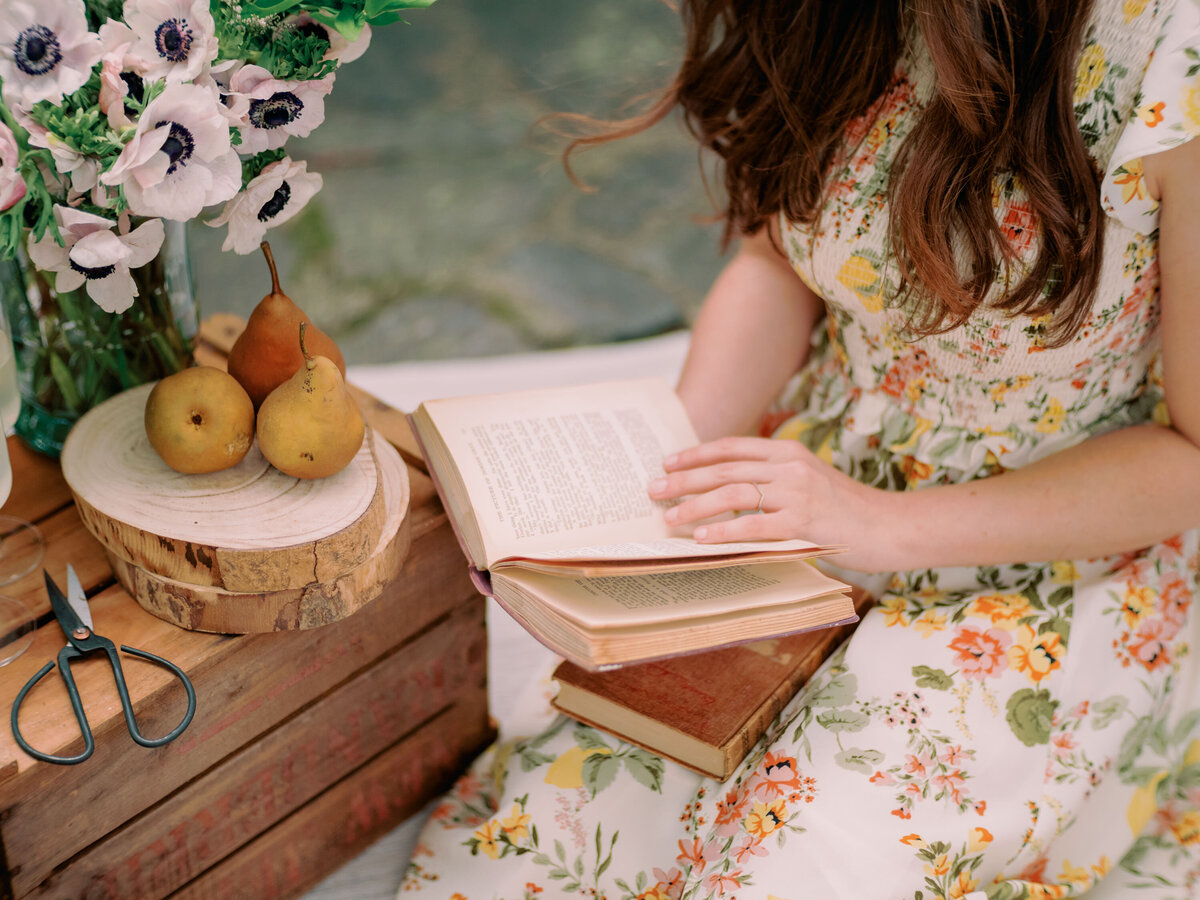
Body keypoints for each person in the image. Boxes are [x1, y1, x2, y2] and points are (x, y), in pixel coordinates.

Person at [400, 0, 1200, 896]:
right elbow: (775, 261)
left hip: (1056, 554)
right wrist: (656, 474)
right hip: (799, 488)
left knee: (807, 863)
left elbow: (1193, 457)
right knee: (569, 833)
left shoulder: (1175, 59)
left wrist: (879, 525)